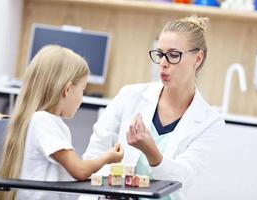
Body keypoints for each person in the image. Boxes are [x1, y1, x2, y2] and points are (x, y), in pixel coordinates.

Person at [82, 16, 225, 199]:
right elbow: (94, 155)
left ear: (197, 59)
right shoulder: (129, 96)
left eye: (173, 55)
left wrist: (152, 153)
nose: (163, 63)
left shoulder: (210, 122)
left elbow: (183, 178)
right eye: (159, 54)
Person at [0, 45, 124, 200]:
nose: (82, 98)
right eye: (83, 90)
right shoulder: (44, 121)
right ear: (67, 89)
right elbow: (80, 171)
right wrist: (108, 157)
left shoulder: (35, 119)